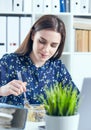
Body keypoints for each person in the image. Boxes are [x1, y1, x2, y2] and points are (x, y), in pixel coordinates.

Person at [0, 15, 80, 106]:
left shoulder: (58, 69)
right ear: (33, 35)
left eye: (53, 45)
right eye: (42, 41)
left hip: (48, 120)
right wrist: (2, 90)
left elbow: (78, 100)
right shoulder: (9, 62)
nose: (46, 50)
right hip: (14, 120)